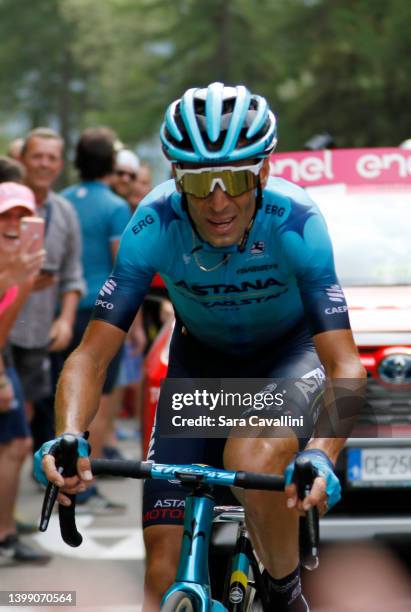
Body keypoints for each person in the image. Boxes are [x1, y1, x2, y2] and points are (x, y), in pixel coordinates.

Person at [35, 83, 366, 610]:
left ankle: (285, 594)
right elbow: (92, 353)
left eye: (234, 178)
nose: (217, 201)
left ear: (262, 171)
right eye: (195, 181)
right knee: (162, 577)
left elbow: (345, 363)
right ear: (174, 176)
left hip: (284, 362)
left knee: (251, 453)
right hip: (200, 374)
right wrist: (69, 434)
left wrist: (321, 455)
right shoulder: (153, 223)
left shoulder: (297, 222)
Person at [60, 127, 132, 514]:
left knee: (67, 392)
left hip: (64, 308)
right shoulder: (115, 206)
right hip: (103, 313)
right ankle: (86, 488)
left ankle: (60, 474)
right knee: (99, 399)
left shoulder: (65, 199)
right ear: (111, 163)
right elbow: (124, 270)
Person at [8, 128, 84, 451]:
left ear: (60, 164)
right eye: (37, 156)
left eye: (51, 158)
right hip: (5, 331)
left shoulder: (65, 211)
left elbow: (72, 275)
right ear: (22, 159)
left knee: (28, 418)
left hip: (39, 332)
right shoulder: (6, 206)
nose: (44, 164)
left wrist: (65, 320)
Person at [0, 182, 50, 564]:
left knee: (16, 443)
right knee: (13, 445)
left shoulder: (19, 262)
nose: (14, 222)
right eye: (6, 214)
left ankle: (5, 532)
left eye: (22, 214)